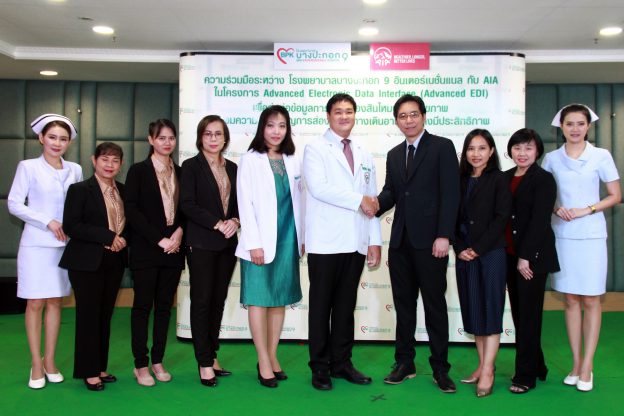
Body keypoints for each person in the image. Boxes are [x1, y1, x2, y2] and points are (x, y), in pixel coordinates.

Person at [377, 94, 460, 393]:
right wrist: (373, 204)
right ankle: (405, 363)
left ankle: (440, 368)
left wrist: (444, 235)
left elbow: (451, 193)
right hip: (400, 242)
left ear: (423, 116)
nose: (408, 120)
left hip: (432, 242)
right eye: (402, 116)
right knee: (404, 306)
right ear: (396, 121)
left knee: (435, 305)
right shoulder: (394, 154)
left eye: (413, 114)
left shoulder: (442, 147)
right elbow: (391, 192)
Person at [303, 93, 382, 391]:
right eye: (338, 111)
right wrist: (358, 199)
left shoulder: (363, 152)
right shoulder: (315, 148)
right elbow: (319, 188)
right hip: (325, 242)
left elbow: (372, 199)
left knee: (346, 307)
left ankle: (342, 363)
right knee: (321, 307)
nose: (344, 116)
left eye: (349, 111)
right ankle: (319, 366)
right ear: (328, 116)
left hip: (356, 242)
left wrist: (374, 240)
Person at [542, 104, 621, 392]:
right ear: (561, 127)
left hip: (591, 236)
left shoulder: (601, 155)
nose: (575, 129)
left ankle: (588, 365)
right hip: (563, 235)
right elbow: (543, 194)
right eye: (569, 124)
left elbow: (615, 195)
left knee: (591, 300)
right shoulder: (551, 158)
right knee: (571, 299)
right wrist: (557, 208)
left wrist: (587, 209)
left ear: (588, 126)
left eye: (580, 123)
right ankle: (576, 364)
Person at [8, 114, 82, 389]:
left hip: (64, 246)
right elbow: (14, 203)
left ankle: (49, 361)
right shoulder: (28, 167)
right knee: (35, 303)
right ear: (41, 138)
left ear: (69, 143)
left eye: (63, 139)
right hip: (36, 244)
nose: (57, 143)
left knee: (55, 302)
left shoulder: (75, 169)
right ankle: (36, 364)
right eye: (52, 137)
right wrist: (47, 221)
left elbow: (79, 204)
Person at [236, 105, 304, 388]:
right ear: (262, 128)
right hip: (260, 241)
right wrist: (253, 243)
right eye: (271, 125)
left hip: (288, 236)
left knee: (279, 298)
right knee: (259, 299)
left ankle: (273, 355)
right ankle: (263, 360)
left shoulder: (293, 159)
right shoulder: (250, 159)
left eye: (282, 126)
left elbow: (300, 202)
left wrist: (302, 238)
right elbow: (245, 202)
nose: (277, 131)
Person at [59, 142, 127, 391]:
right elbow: (72, 226)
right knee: (89, 316)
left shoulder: (123, 190)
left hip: (114, 261)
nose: (110, 165)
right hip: (86, 262)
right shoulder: (79, 190)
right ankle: (88, 371)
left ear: (121, 164)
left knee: (105, 315)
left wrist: (123, 239)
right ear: (94, 160)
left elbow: (128, 222)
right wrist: (107, 236)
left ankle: (99, 366)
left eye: (115, 160)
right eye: (105, 159)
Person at [180, 115, 240, 387]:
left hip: (227, 243)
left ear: (225, 138)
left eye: (218, 134)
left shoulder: (233, 168)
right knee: (202, 301)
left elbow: (240, 203)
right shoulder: (191, 166)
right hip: (202, 242)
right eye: (208, 134)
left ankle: (212, 355)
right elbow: (187, 204)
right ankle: (203, 362)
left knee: (218, 300)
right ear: (200, 137)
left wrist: (235, 221)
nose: (213, 139)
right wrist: (217, 223)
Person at [125, 119, 185, 386]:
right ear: (151, 140)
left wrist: (179, 232)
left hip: (174, 249)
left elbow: (187, 208)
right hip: (146, 249)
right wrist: (159, 239)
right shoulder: (138, 171)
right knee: (142, 307)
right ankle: (140, 364)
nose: (167, 142)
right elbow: (132, 210)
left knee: (164, 308)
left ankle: (158, 360)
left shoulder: (181, 172)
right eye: (161, 138)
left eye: (171, 138)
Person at [453, 129, 511, 397]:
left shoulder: (499, 179)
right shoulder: (459, 180)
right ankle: (482, 364)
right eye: (471, 148)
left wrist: (477, 248)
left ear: (491, 151)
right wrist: (460, 248)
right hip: (464, 254)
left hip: (491, 253)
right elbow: (451, 217)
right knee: (475, 309)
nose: (476, 154)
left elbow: (501, 218)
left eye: (482, 148)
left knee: (491, 309)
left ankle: (488, 370)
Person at [504, 128, 559, 394]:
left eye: (528, 148)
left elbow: (540, 221)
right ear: (510, 151)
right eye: (517, 147)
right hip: (508, 255)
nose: (522, 153)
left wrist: (525, 256)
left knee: (529, 315)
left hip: (532, 258)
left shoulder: (544, 179)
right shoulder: (504, 177)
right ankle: (537, 365)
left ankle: (525, 376)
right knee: (519, 314)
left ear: (537, 151)